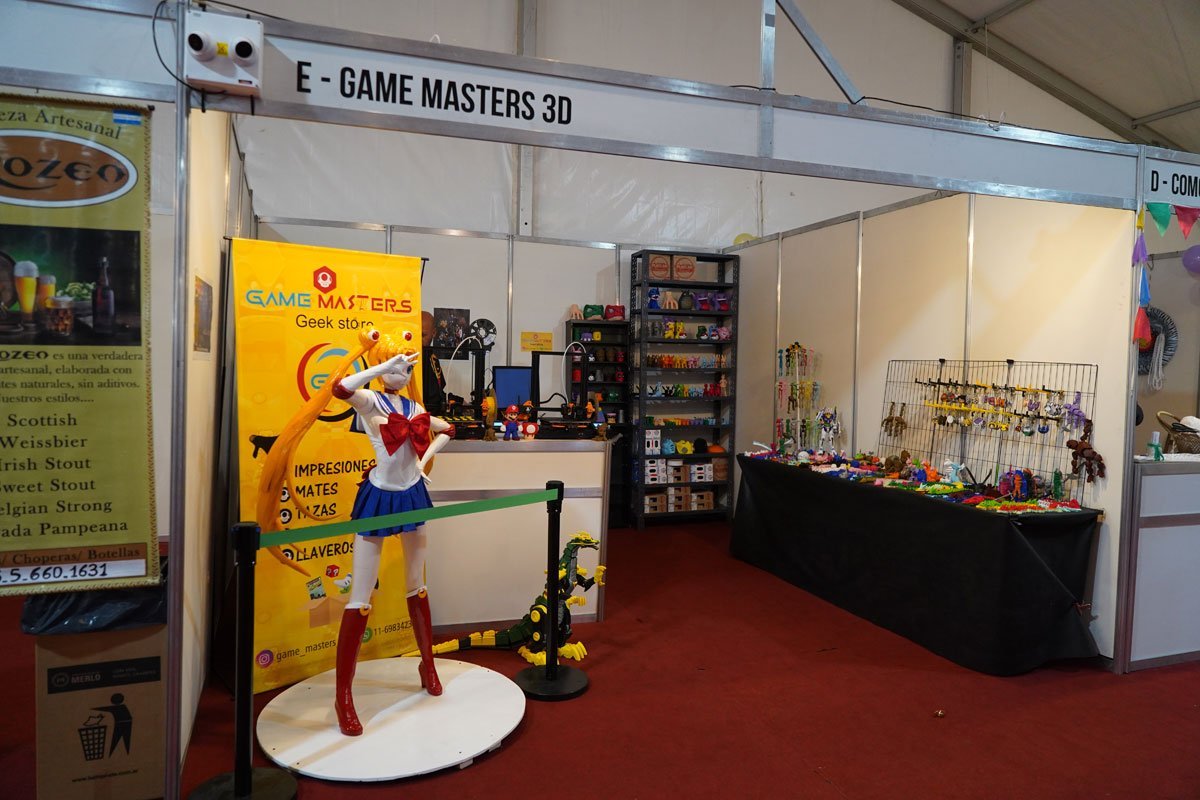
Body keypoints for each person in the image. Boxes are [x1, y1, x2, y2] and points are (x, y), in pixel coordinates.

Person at [255, 327, 453, 738]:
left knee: (417, 586)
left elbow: (448, 429)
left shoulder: (415, 406)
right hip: (378, 497)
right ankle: (343, 695)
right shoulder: (369, 399)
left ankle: (428, 665)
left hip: (412, 494)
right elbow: (339, 388)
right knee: (360, 597)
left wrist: (423, 462)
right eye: (395, 363)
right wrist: (380, 365)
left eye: (406, 364)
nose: (401, 371)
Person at [421, 310, 447, 416]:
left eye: (423, 335)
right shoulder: (408, 359)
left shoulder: (433, 359)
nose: (419, 340)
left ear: (434, 333)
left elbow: (438, 393)